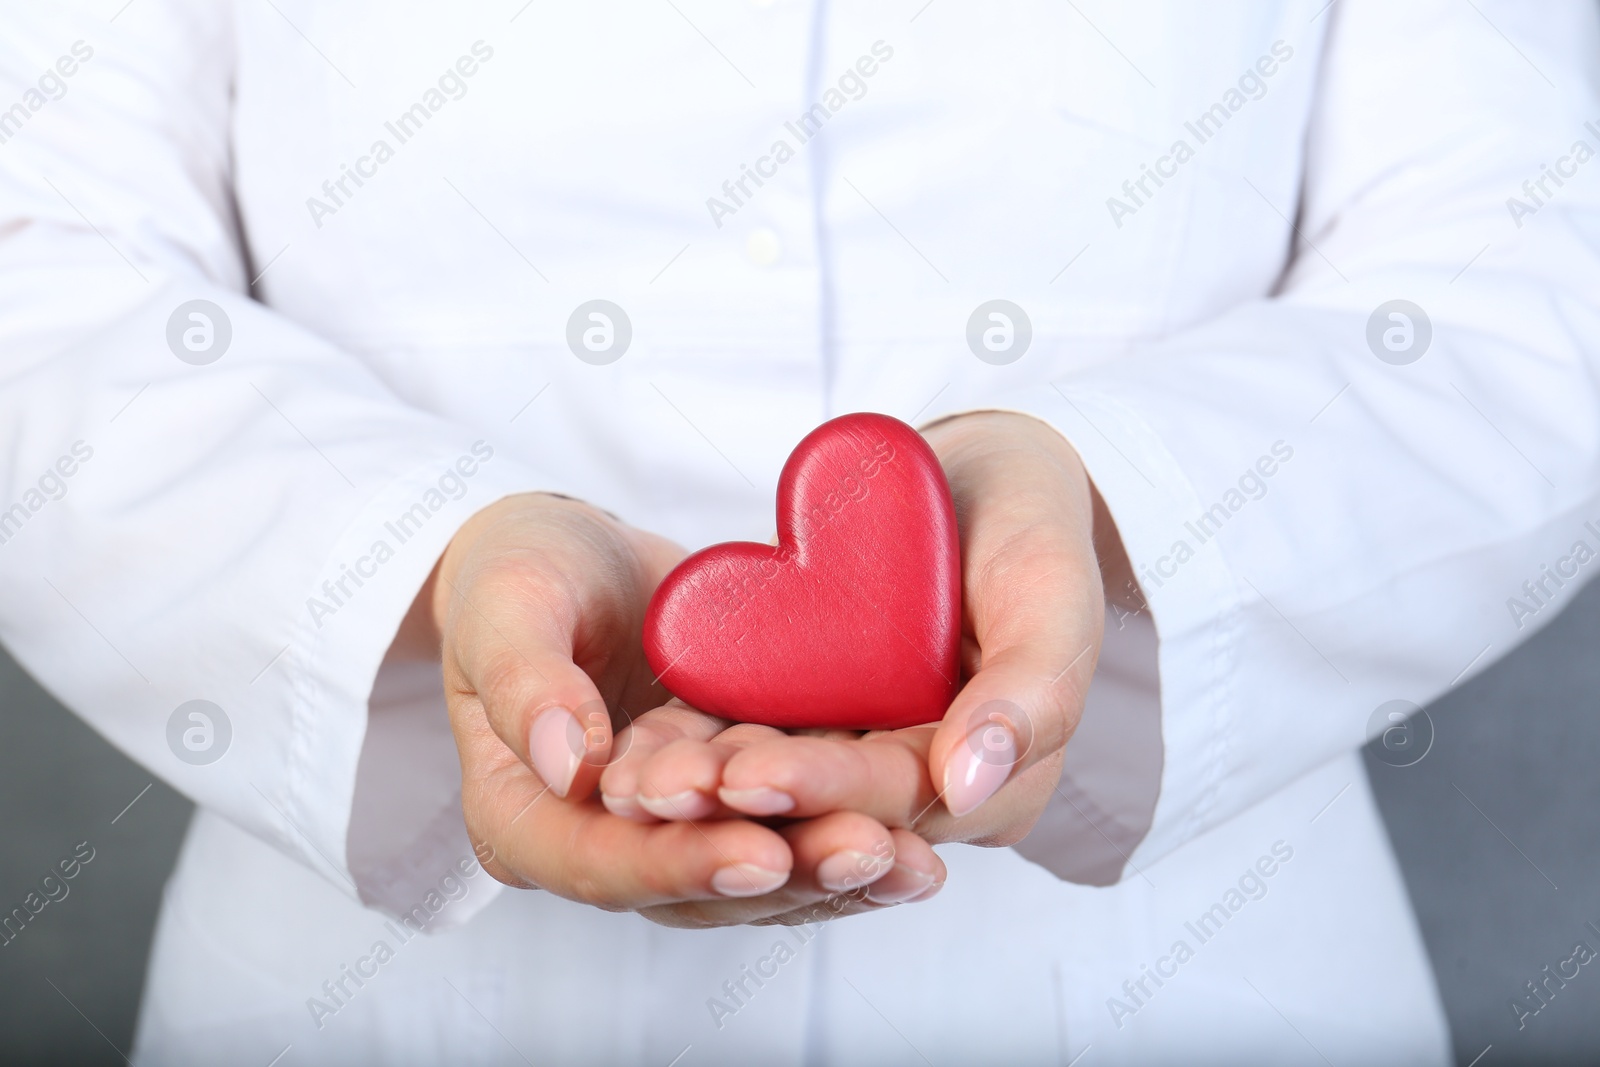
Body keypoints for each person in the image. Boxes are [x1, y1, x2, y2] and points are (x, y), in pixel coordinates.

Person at [2, 0, 1596, 1062]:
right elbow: (37, 258)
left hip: (1196, 981)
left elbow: (1538, 258)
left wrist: (1109, 520)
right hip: (370, 995)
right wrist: (424, 561)